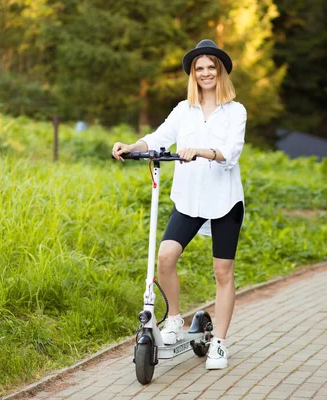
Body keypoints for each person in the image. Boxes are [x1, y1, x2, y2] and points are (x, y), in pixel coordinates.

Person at [112, 39, 246, 370]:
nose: (205, 73)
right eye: (199, 68)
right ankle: (173, 318)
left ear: (221, 71)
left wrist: (200, 150)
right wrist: (132, 145)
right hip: (188, 199)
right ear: (193, 74)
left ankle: (220, 343)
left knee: (222, 271)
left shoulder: (235, 111)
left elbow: (231, 152)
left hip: (225, 200)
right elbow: (158, 139)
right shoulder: (182, 110)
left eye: (210, 67)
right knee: (165, 257)